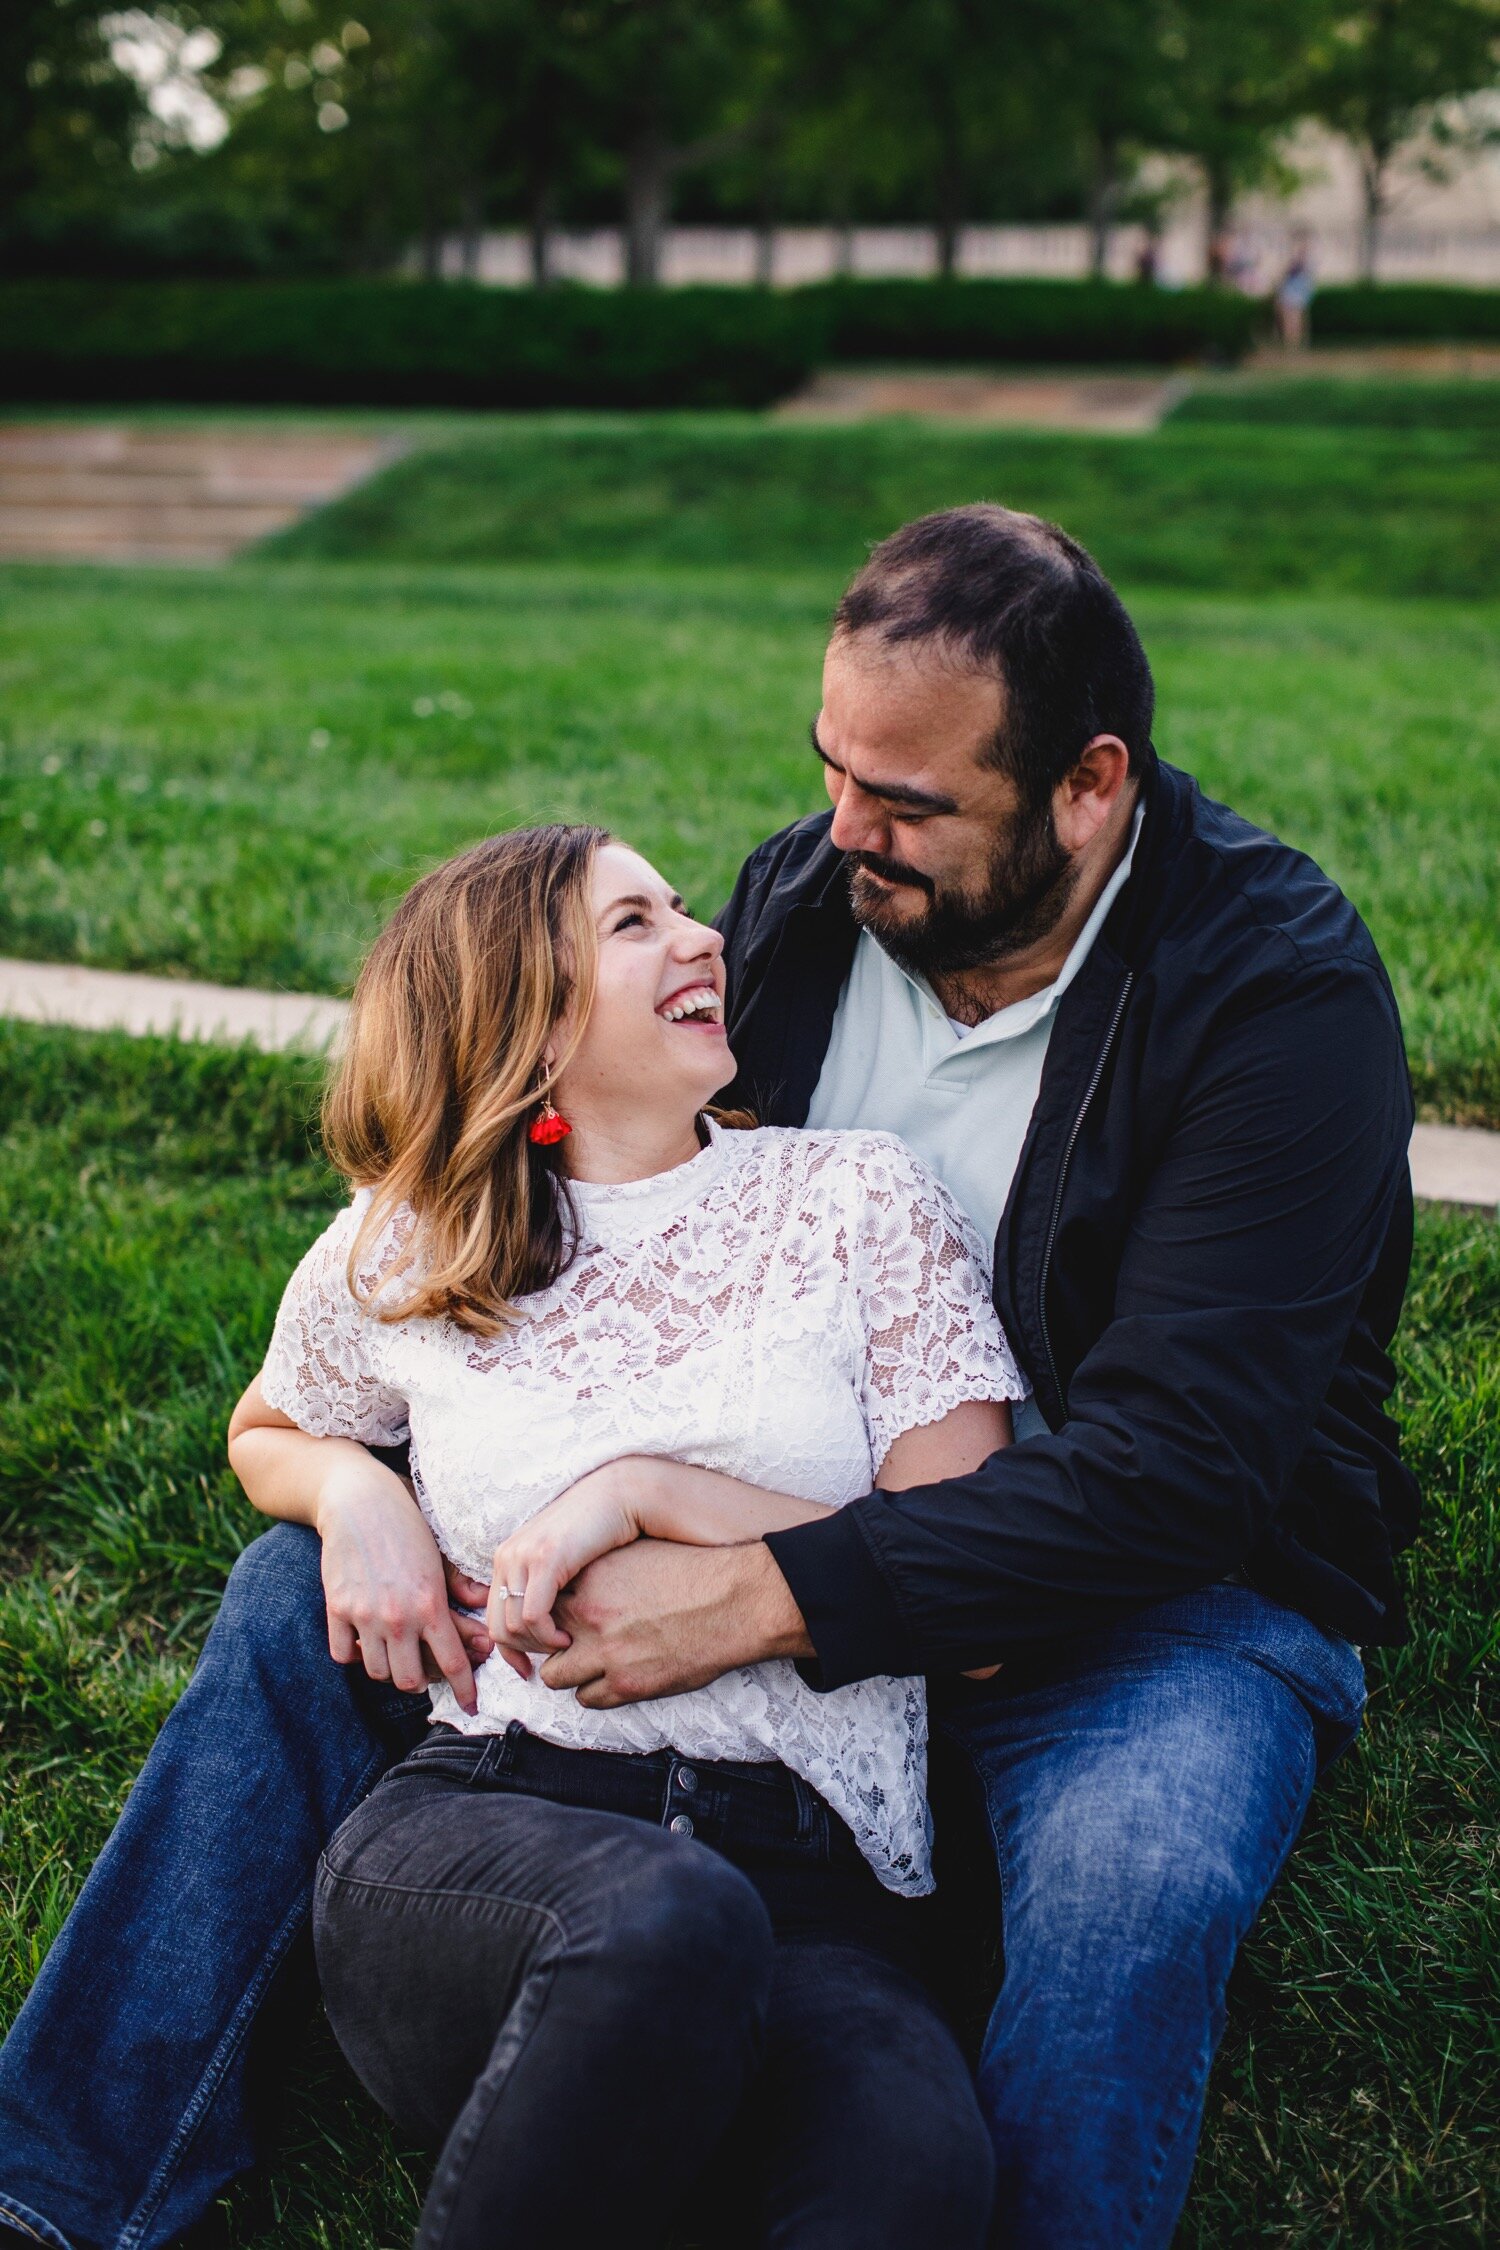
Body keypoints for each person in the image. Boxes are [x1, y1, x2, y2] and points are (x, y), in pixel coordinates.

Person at [0, 506, 1416, 2250]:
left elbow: (1181, 1474)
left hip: (1148, 1589)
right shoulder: (819, 902)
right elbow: (618, 1201)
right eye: (834, 771)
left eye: (907, 803)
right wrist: (372, 1484)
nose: (843, 837)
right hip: (786, 1498)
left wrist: (751, 1589)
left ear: (1089, 785)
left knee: (1134, 1881)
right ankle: (57, 2180)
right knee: (294, 1591)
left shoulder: (1274, 997)